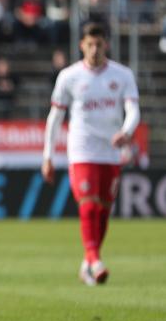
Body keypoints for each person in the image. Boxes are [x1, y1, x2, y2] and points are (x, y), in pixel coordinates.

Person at [42, 23, 140, 286]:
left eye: (98, 44)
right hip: (82, 148)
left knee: (103, 209)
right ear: (81, 45)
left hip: (110, 149)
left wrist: (126, 131)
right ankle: (95, 260)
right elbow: (55, 118)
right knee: (87, 203)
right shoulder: (69, 76)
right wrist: (48, 156)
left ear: (106, 44)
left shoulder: (122, 75)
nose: (94, 49)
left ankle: (87, 263)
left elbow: (133, 110)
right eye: (90, 44)